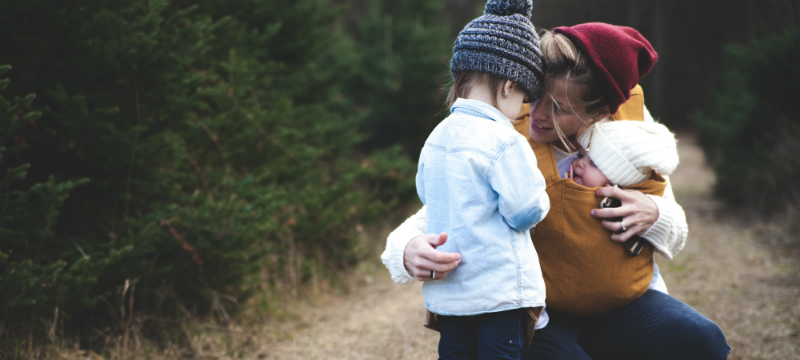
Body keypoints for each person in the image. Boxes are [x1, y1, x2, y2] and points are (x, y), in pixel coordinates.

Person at [382, 23, 731, 359]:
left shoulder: (631, 139)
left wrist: (656, 215)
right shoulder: (503, 132)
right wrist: (405, 249)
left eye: (560, 108)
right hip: (539, 312)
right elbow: (445, 205)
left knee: (703, 342)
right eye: (537, 96)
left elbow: (677, 230)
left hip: (623, 304)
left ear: (600, 113)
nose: (538, 114)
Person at [415, 1, 550, 358]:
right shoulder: (503, 140)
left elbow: (425, 194)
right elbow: (525, 210)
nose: (523, 109)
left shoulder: (436, 137)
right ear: (508, 86)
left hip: (451, 297)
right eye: (524, 97)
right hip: (499, 295)